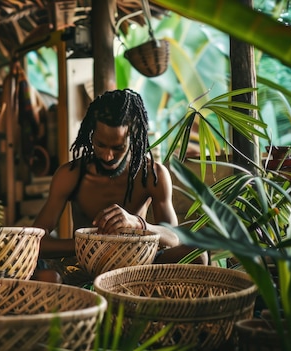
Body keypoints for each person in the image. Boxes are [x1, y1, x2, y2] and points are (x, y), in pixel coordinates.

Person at [32, 89, 206, 284]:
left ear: (134, 137)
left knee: (198, 254)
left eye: (118, 147)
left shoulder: (153, 175)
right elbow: (36, 241)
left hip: (139, 262)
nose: (107, 156)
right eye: (100, 145)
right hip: (85, 265)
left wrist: (139, 224)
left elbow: (174, 237)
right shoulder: (71, 175)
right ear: (91, 135)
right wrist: (88, 245)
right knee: (48, 278)